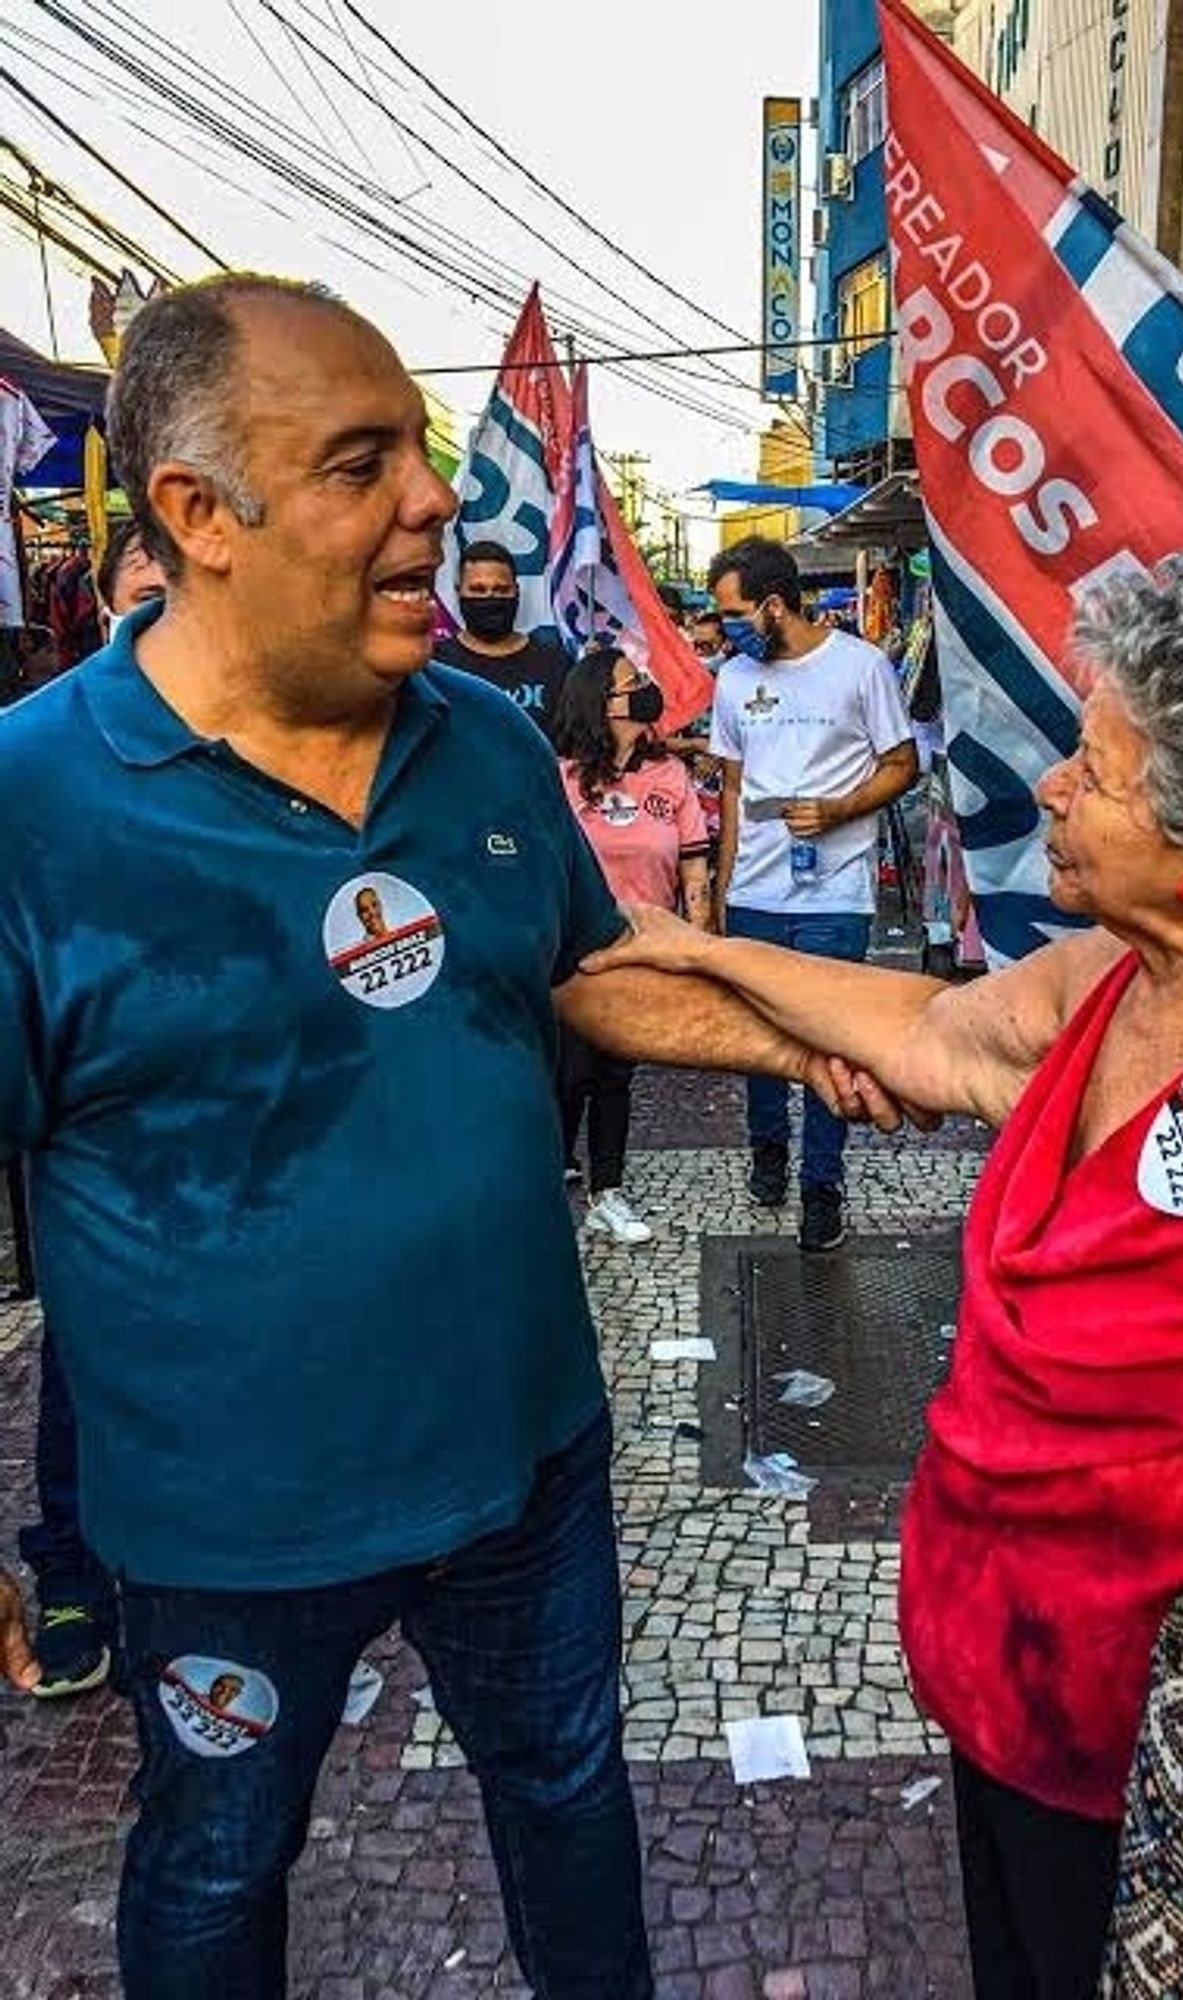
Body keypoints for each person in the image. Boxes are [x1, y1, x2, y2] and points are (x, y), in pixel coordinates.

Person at [0, 273, 891, 2000]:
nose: (438, 505)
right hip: (221, 1535)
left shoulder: (482, 742)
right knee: (213, 1862)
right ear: (197, 514)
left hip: (524, 1470)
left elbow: (590, 974)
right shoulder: (30, 808)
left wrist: (848, 1041)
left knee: (566, 1793)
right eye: (363, 463)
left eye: (422, 449)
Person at [587, 547, 1183, 2000]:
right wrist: (683, 953)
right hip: (1015, 1721)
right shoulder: (1113, 980)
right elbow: (925, 1028)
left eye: (1099, 766)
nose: (1057, 790)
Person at [16, 516, 169, 1700]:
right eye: (144, 580)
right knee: (82, 1369)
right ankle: (73, 1569)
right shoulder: (42, 764)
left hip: (251, 1185)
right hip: (100, 1172)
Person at [707, 534, 918, 1251]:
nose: (726, 629)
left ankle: (822, 1185)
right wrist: (722, 889)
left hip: (836, 895)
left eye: (735, 615)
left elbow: (902, 763)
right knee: (759, 1039)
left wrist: (837, 810)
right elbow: (733, 788)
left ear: (774, 604)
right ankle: (768, 1149)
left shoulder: (861, 667)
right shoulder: (733, 679)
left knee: (832, 1041)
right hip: (755, 893)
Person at [554, 646, 712, 1245]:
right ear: (601, 700)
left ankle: (607, 1193)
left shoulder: (670, 776)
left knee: (615, 1076)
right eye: (632, 682)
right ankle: (549, 1181)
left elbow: (694, 873)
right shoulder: (559, 779)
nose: (647, 689)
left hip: (641, 950)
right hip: (572, 955)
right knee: (569, 1075)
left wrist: (696, 947)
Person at [433, 539, 572, 743]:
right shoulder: (434, 666)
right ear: (458, 591)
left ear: (516, 591)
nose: (490, 598)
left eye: (501, 590)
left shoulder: (555, 664)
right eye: (478, 590)